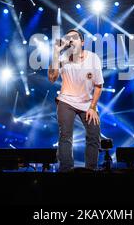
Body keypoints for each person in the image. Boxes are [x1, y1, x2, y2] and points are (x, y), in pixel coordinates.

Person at [48, 29, 104, 172]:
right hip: (66, 100)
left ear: (82, 41)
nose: (71, 40)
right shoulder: (63, 58)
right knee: (65, 135)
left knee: (94, 133)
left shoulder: (93, 58)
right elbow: (52, 78)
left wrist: (92, 107)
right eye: (68, 38)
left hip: (87, 103)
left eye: (75, 37)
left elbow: (99, 85)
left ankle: (91, 170)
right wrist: (55, 53)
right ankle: (66, 170)